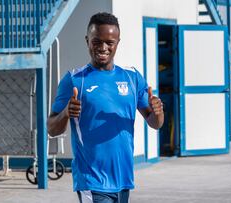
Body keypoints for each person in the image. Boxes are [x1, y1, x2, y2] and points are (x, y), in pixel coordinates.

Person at [47, 12, 164, 203]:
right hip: (92, 180)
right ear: (87, 41)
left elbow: (155, 123)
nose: (103, 48)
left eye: (109, 42)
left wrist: (158, 113)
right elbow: (51, 128)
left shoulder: (132, 78)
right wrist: (66, 113)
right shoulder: (75, 80)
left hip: (124, 179)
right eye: (96, 41)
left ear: (117, 42)